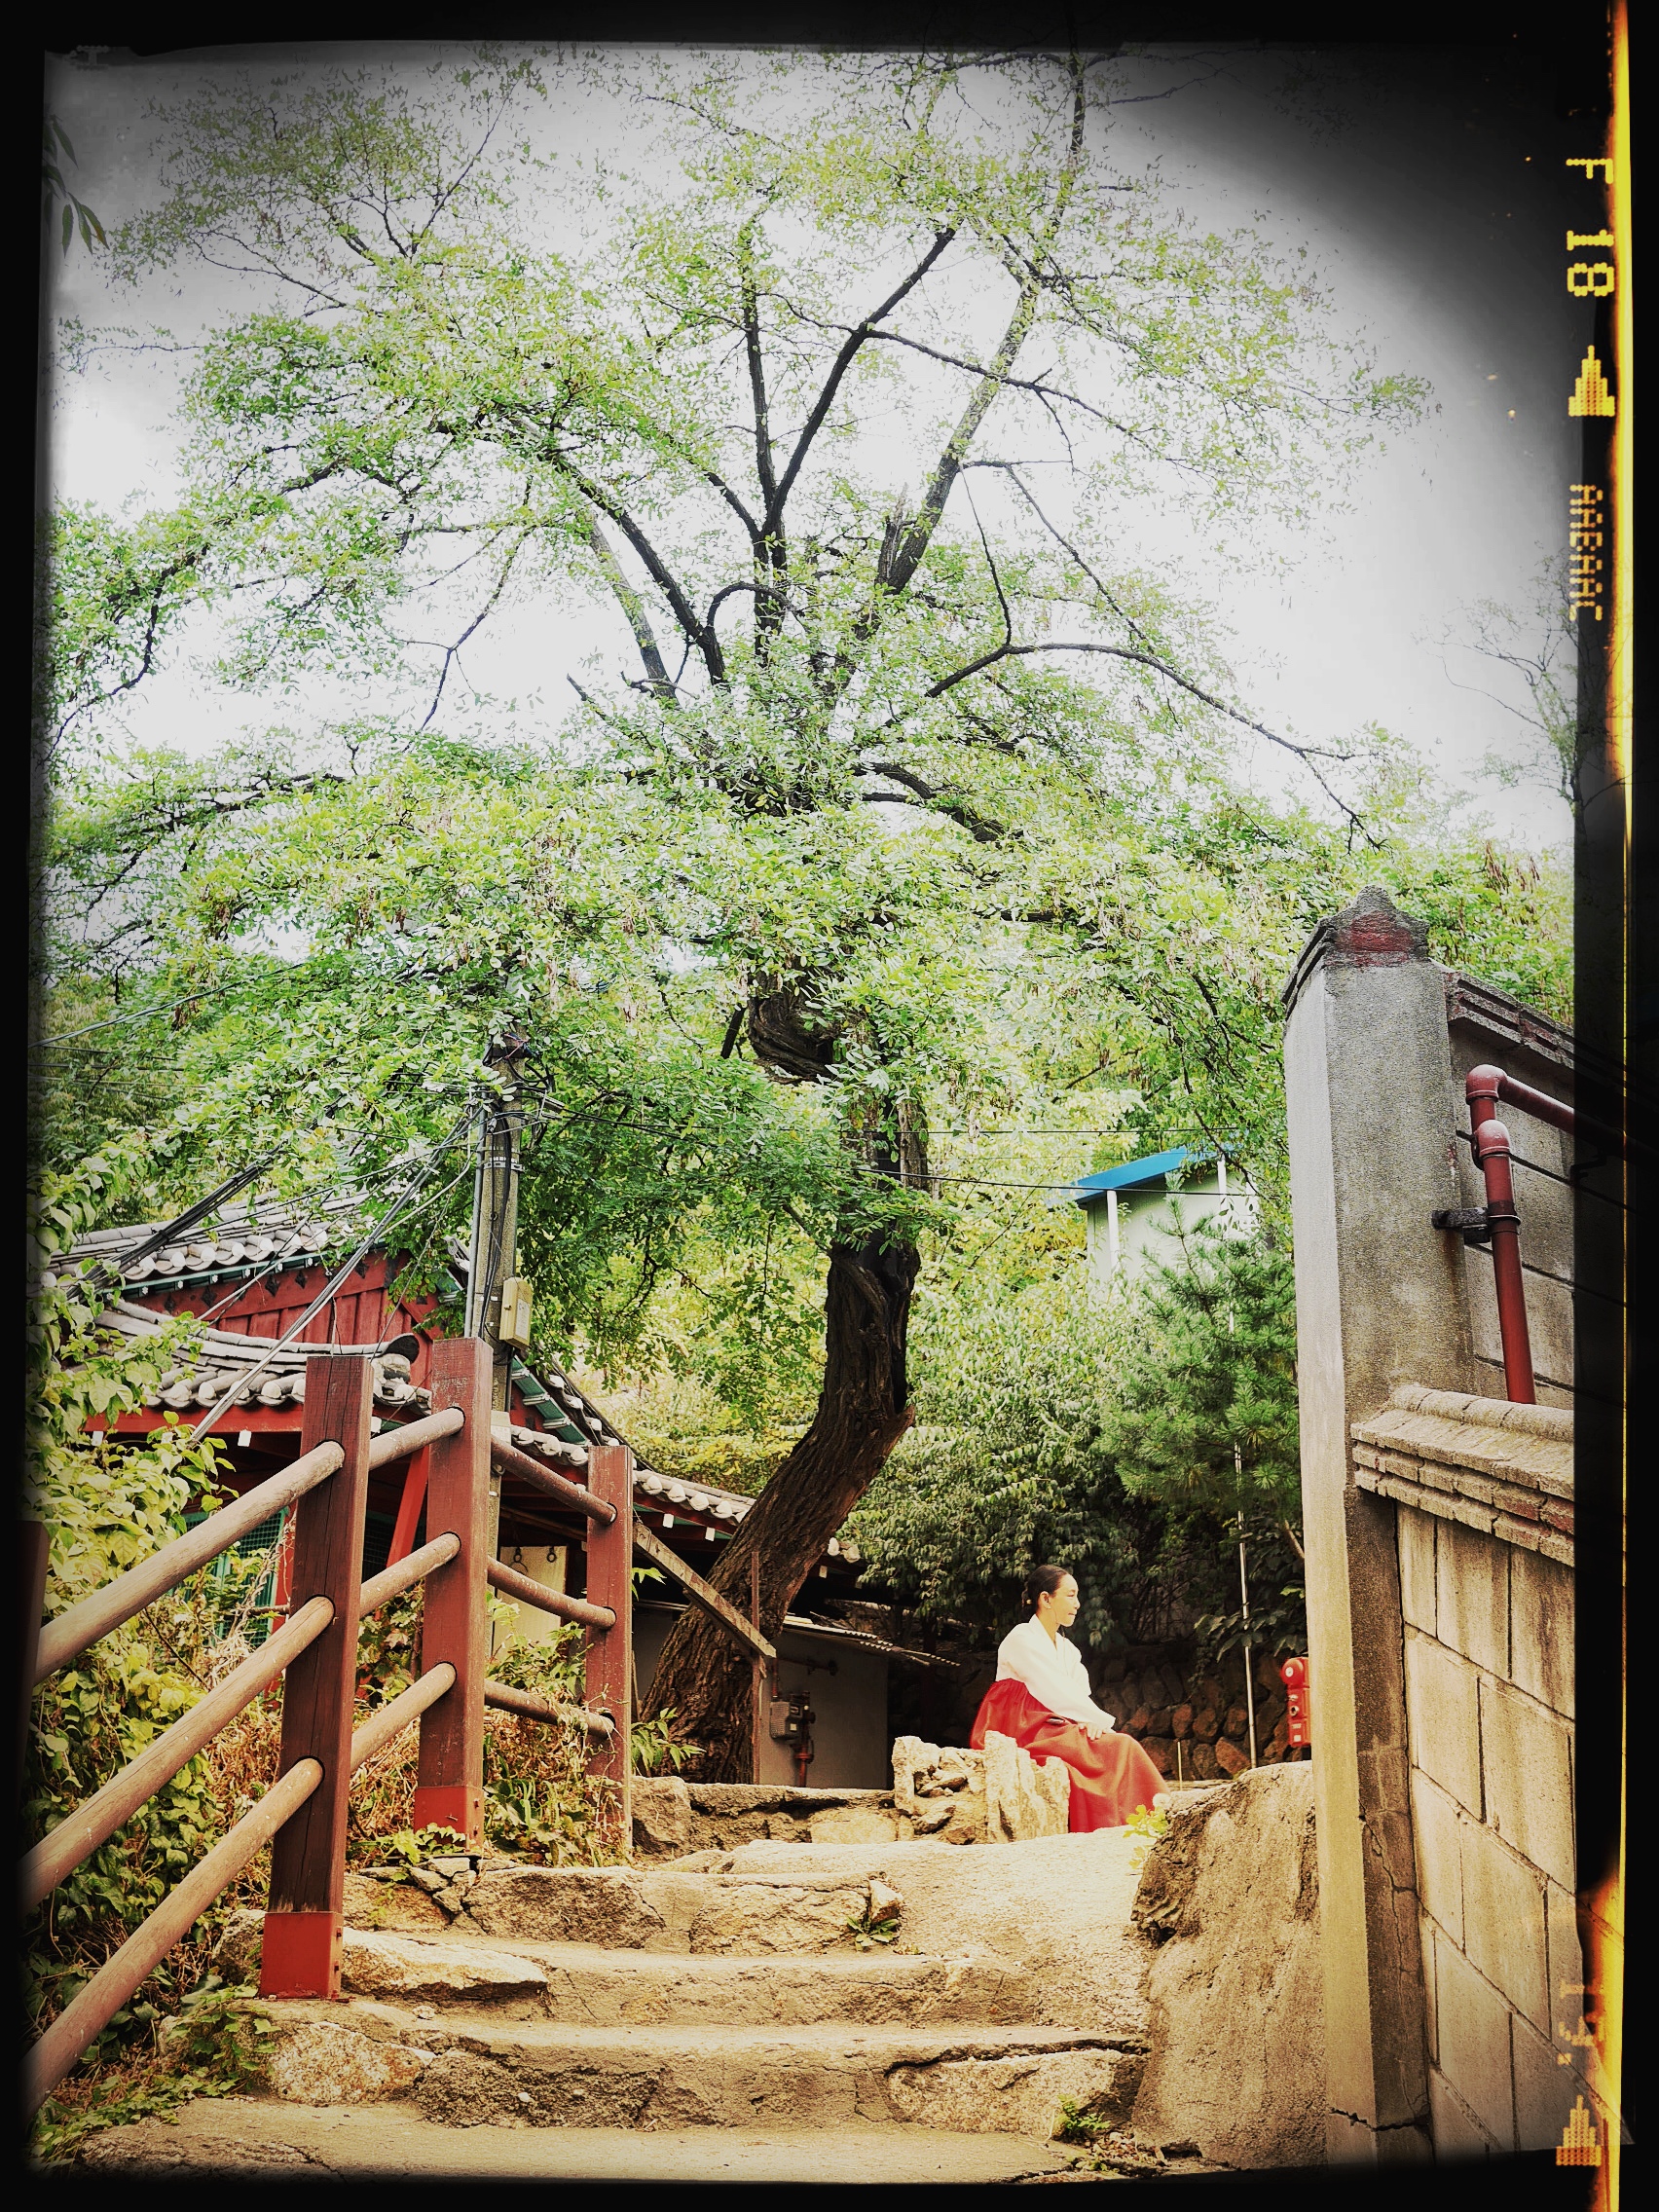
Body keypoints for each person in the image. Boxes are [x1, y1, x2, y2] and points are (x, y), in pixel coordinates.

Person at [970, 1564, 1165, 1832]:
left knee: (1116, 1747)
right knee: (1118, 1746)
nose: (1078, 1603)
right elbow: (1052, 1689)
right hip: (1020, 1724)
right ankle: (1140, 1821)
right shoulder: (1021, 1638)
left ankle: (1144, 1821)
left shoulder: (1068, 1649)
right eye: (1071, 1595)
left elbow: (1077, 1693)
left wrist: (1089, 1722)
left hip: (1054, 1720)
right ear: (1046, 1599)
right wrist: (1095, 1721)